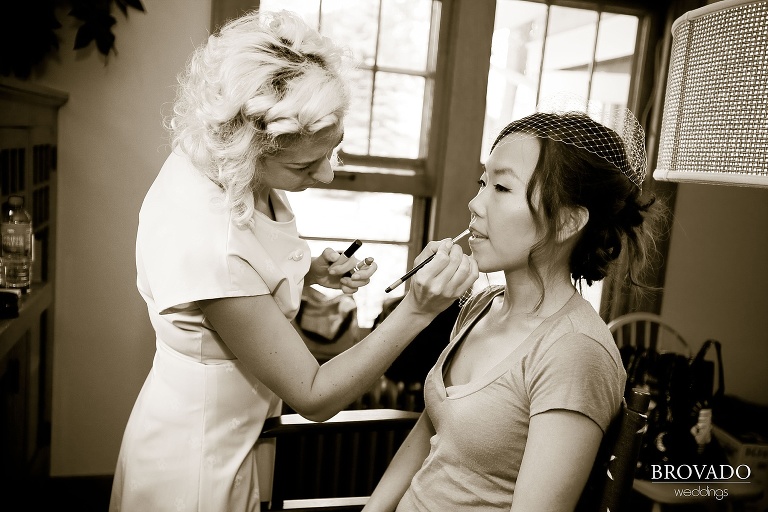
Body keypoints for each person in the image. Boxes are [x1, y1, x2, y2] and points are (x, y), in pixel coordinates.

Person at [109, 10, 478, 512]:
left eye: (334, 152)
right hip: (196, 464)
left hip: (246, 431)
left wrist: (309, 273)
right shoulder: (206, 234)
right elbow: (313, 393)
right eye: (305, 165)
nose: (326, 176)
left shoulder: (224, 166)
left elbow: (248, 271)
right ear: (247, 148)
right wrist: (417, 309)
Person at [364, 107, 663, 512]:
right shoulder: (482, 305)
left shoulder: (574, 352)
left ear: (566, 222)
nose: (474, 203)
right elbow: (431, 438)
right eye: (482, 182)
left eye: (502, 189)